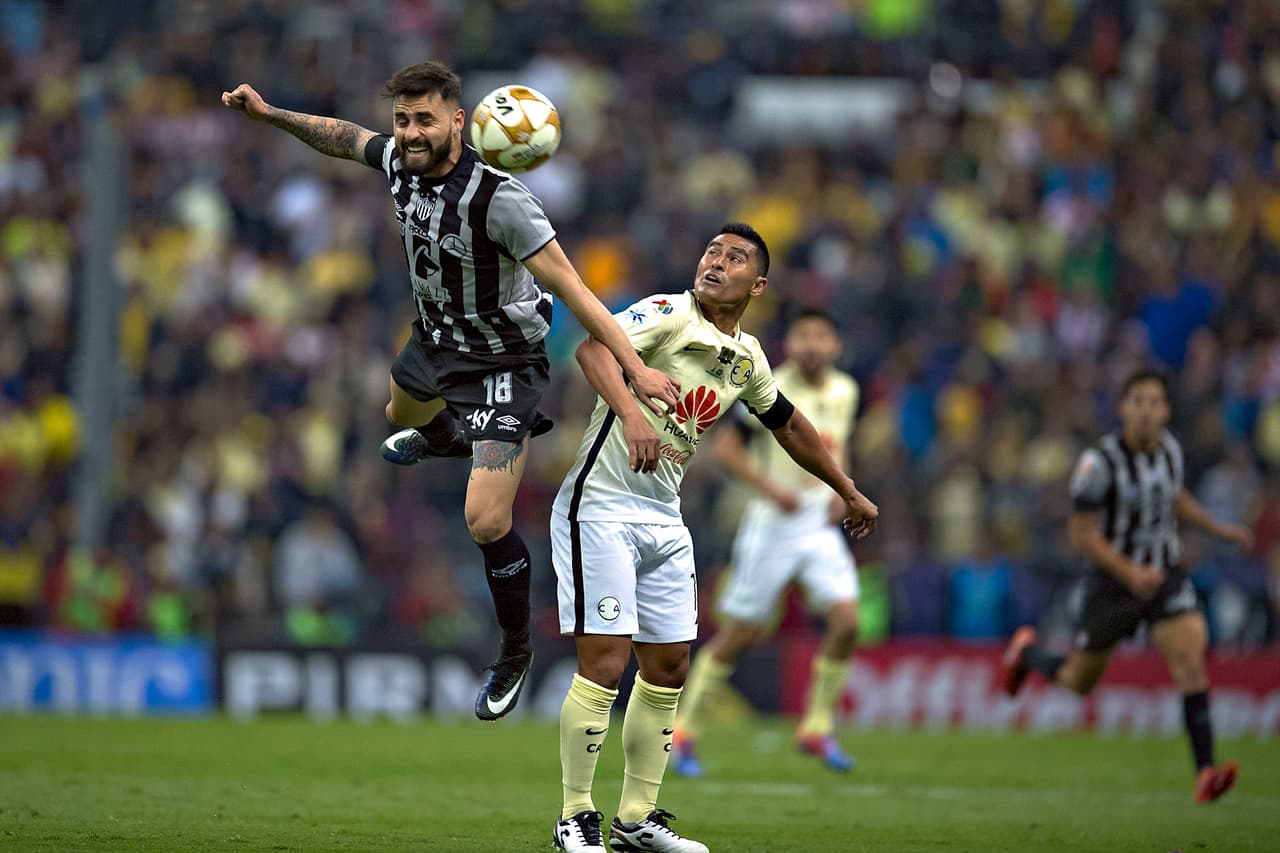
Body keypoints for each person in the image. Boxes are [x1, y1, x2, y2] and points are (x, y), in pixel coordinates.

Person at [221, 61, 679, 721]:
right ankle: (444, 433)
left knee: (485, 518)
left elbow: (577, 290)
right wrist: (270, 116)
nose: (409, 132)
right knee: (396, 413)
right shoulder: (400, 163)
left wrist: (634, 369)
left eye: (424, 120)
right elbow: (343, 137)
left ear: (458, 122)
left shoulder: (503, 201)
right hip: (435, 344)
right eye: (403, 119)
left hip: (502, 362)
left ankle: (516, 650)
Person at [548, 224, 878, 853]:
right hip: (602, 508)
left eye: (735, 258)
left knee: (669, 667)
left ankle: (636, 821)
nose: (715, 262)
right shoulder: (670, 313)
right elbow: (593, 351)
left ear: (758, 285)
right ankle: (574, 816)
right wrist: (630, 408)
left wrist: (847, 487)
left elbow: (789, 425)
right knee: (606, 662)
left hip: (664, 515)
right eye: (711, 251)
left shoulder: (748, 356)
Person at [999, 367, 1254, 804]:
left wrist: (1216, 528)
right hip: (1113, 583)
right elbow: (1080, 535)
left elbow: (1174, 497)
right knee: (1079, 680)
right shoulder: (1098, 463)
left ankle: (1206, 770)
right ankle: (1027, 653)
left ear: (1166, 410)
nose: (1146, 411)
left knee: (1191, 653)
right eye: (1137, 401)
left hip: (1163, 574)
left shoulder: (1170, 451)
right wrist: (1130, 573)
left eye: (1154, 402)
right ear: (1123, 409)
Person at [672, 308, 862, 777]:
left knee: (847, 621)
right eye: (803, 334)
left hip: (817, 520)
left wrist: (844, 487)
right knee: (741, 634)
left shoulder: (845, 391)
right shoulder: (767, 387)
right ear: (790, 344)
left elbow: (838, 445)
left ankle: (816, 726)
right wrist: (771, 490)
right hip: (773, 522)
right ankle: (683, 731)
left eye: (821, 335)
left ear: (835, 345)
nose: (812, 344)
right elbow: (725, 450)